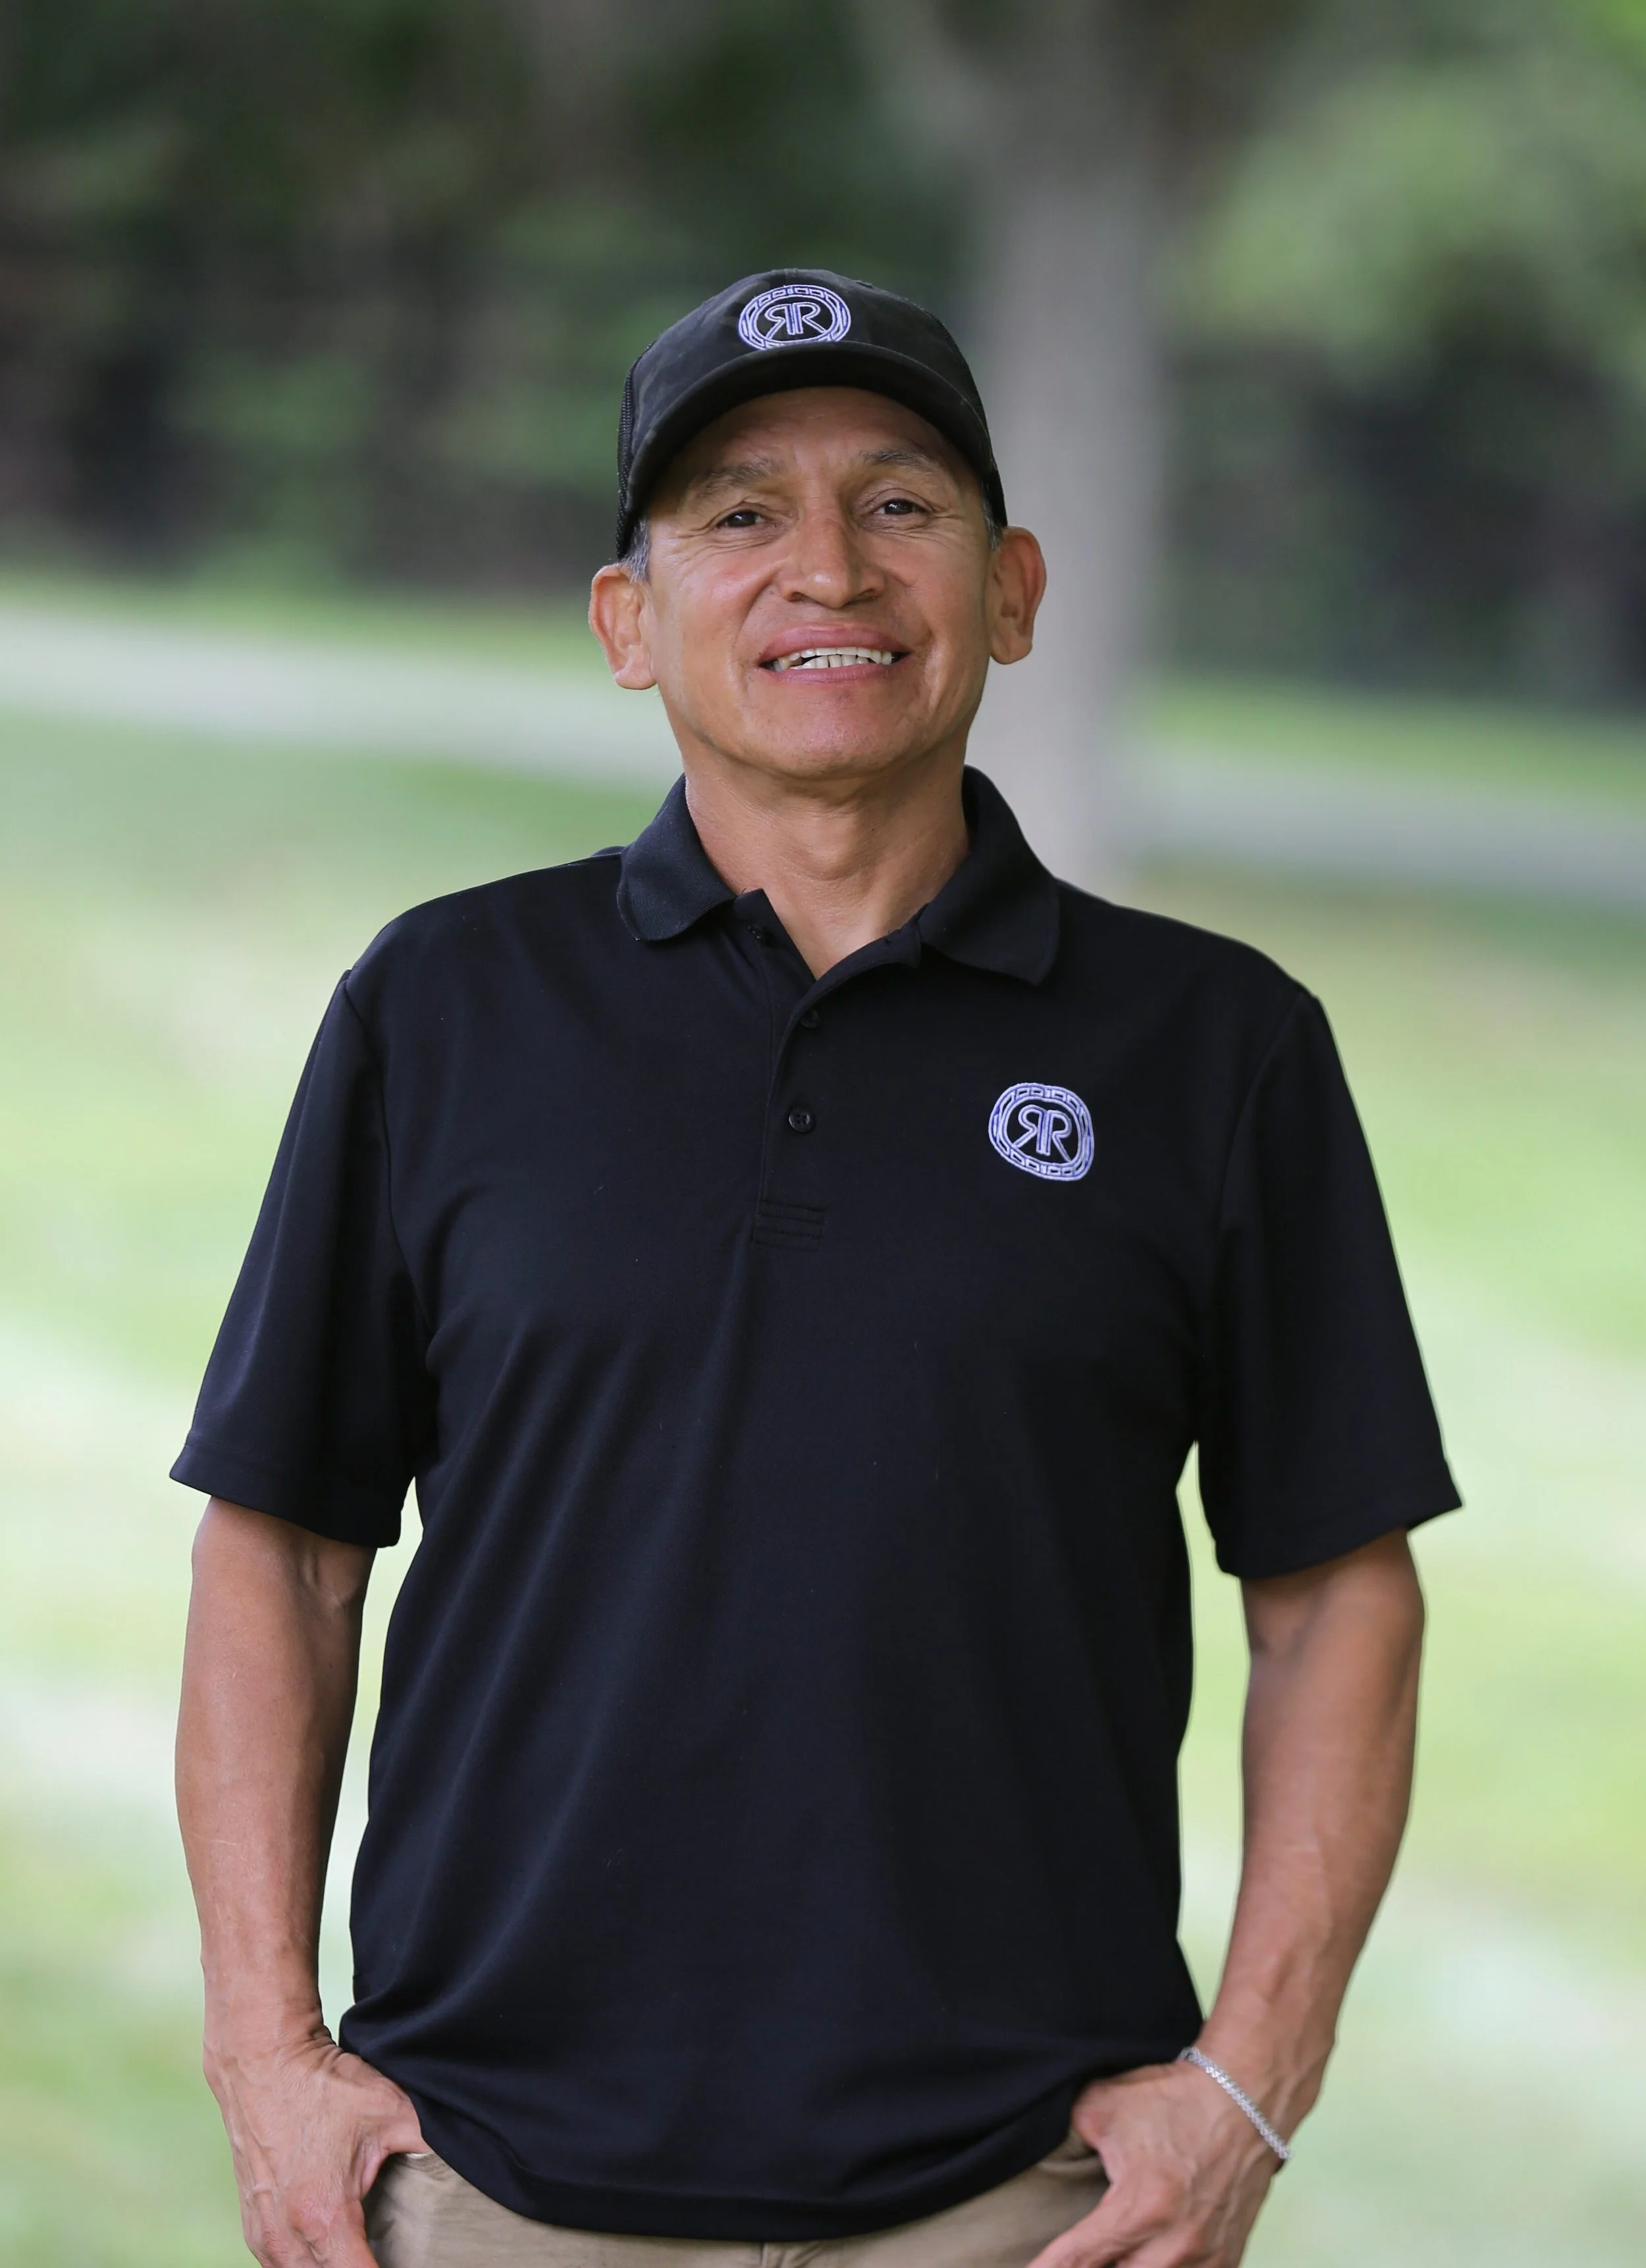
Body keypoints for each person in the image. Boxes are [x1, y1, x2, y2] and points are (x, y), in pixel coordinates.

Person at [173, 269, 1458, 2268]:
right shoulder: (445, 1006)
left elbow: (1335, 1596)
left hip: (1023, 2201)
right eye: (740, 514)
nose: (830, 570)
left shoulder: (1214, 1049)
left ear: (1012, 590)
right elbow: (283, 1551)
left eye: (902, 503)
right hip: (496, 2180)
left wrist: (1248, 2082)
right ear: (629, 620)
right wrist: (266, 2049)